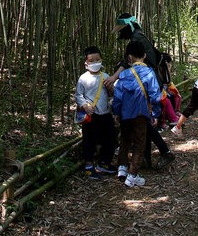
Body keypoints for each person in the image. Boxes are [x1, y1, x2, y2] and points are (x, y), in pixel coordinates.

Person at [106, 13, 175, 170]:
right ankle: (146, 158)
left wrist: (114, 76)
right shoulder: (138, 36)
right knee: (144, 122)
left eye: (122, 30)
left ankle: (165, 152)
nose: (121, 34)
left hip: (145, 84)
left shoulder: (137, 38)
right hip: (145, 83)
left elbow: (127, 61)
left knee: (144, 123)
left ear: (127, 28)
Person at [111, 39, 162, 187]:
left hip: (125, 114)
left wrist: (117, 111)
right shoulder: (149, 73)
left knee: (125, 140)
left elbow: (118, 96)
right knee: (139, 145)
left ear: (129, 58)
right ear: (145, 56)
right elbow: (155, 96)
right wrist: (155, 114)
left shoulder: (124, 74)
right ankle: (132, 175)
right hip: (141, 114)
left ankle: (122, 168)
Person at [74, 46, 117, 180]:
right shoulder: (83, 78)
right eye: (91, 60)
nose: (95, 62)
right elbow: (78, 95)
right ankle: (88, 166)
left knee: (110, 137)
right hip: (91, 115)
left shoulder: (106, 76)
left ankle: (104, 162)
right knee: (89, 139)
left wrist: (110, 88)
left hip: (104, 113)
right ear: (86, 64)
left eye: (97, 59)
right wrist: (86, 106)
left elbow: (112, 94)